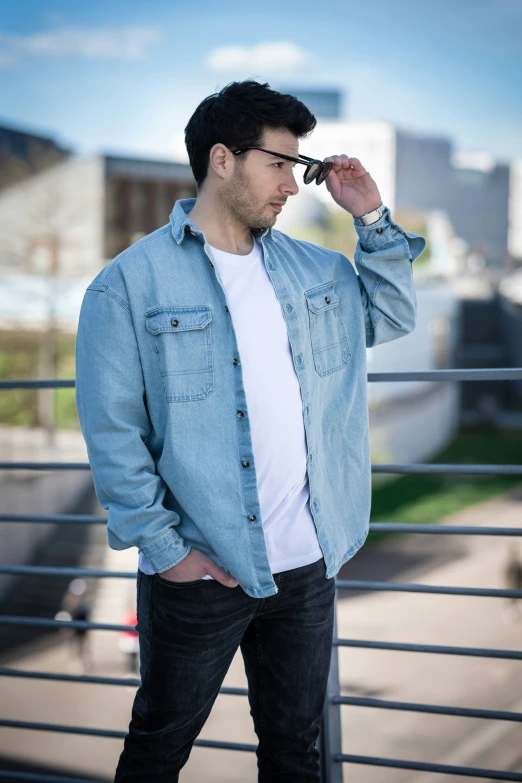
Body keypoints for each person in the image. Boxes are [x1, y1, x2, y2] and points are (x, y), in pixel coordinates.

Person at [75, 80, 426, 782]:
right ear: (223, 160)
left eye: (301, 168)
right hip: (200, 567)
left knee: (296, 748)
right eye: (280, 165)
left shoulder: (315, 272)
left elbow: (389, 317)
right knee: (157, 748)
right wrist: (165, 549)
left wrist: (372, 216)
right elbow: (114, 434)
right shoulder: (127, 285)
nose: (294, 186)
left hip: (305, 565)